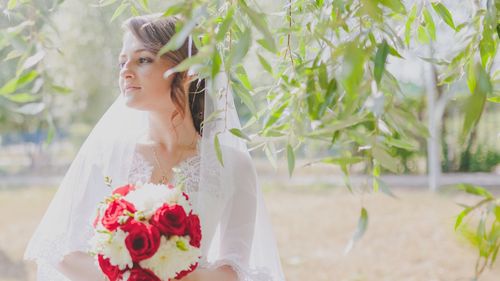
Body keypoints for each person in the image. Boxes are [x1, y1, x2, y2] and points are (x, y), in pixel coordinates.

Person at [24, 14, 285, 281]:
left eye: (143, 59)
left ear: (188, 71)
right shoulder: (108, 155)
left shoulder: (233, 166)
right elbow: (62, 251)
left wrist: (174, 275)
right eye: (122, 61)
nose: (126, 71)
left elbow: (235, 270)